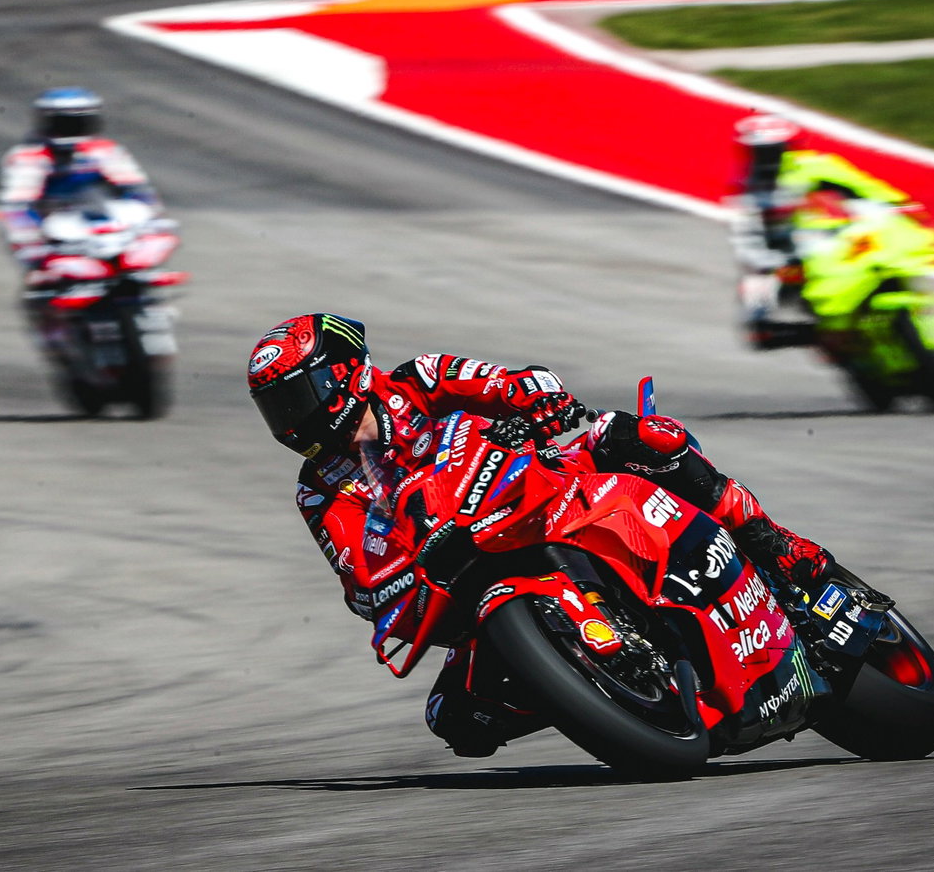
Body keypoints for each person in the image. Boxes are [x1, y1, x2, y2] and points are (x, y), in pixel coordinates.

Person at [247, 313, 833, 758]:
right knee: (456, 720)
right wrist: (398, 588)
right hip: (467, 577)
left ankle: (775, 547)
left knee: (636, 438)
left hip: (544, 489)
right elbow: (363, 586)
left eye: (296, 397)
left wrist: (536, 396)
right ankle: (596, 688)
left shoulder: (419, 381)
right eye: (275, 408)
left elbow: (513, 381)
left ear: (343, 374)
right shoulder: (320, 492)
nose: (291, 421)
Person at [728, 113, 925, 350]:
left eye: (775, 150)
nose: (769, 158)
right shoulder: (745, 192)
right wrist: (771, 264)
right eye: (761, 152)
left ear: (788, 147)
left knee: (886, 244)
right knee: (758, 329)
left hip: (826, 238)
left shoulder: (813, 165)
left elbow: (862, 184)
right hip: (782, 259)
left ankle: (899, 299)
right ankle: (821, 336)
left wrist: (896, 203)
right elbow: (746, 241)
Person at [0, 87, 164, 274]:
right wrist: (32, 239)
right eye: (64, 123)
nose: (71, 130)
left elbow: (136, 188)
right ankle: (53, 275)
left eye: (78, 122)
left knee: (151, 225)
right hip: (52, 223)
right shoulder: (28, 156)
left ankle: (131, 267)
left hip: (100, 215)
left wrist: (153, 220)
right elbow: (17, 205)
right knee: (14, 224)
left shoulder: (105, 150)